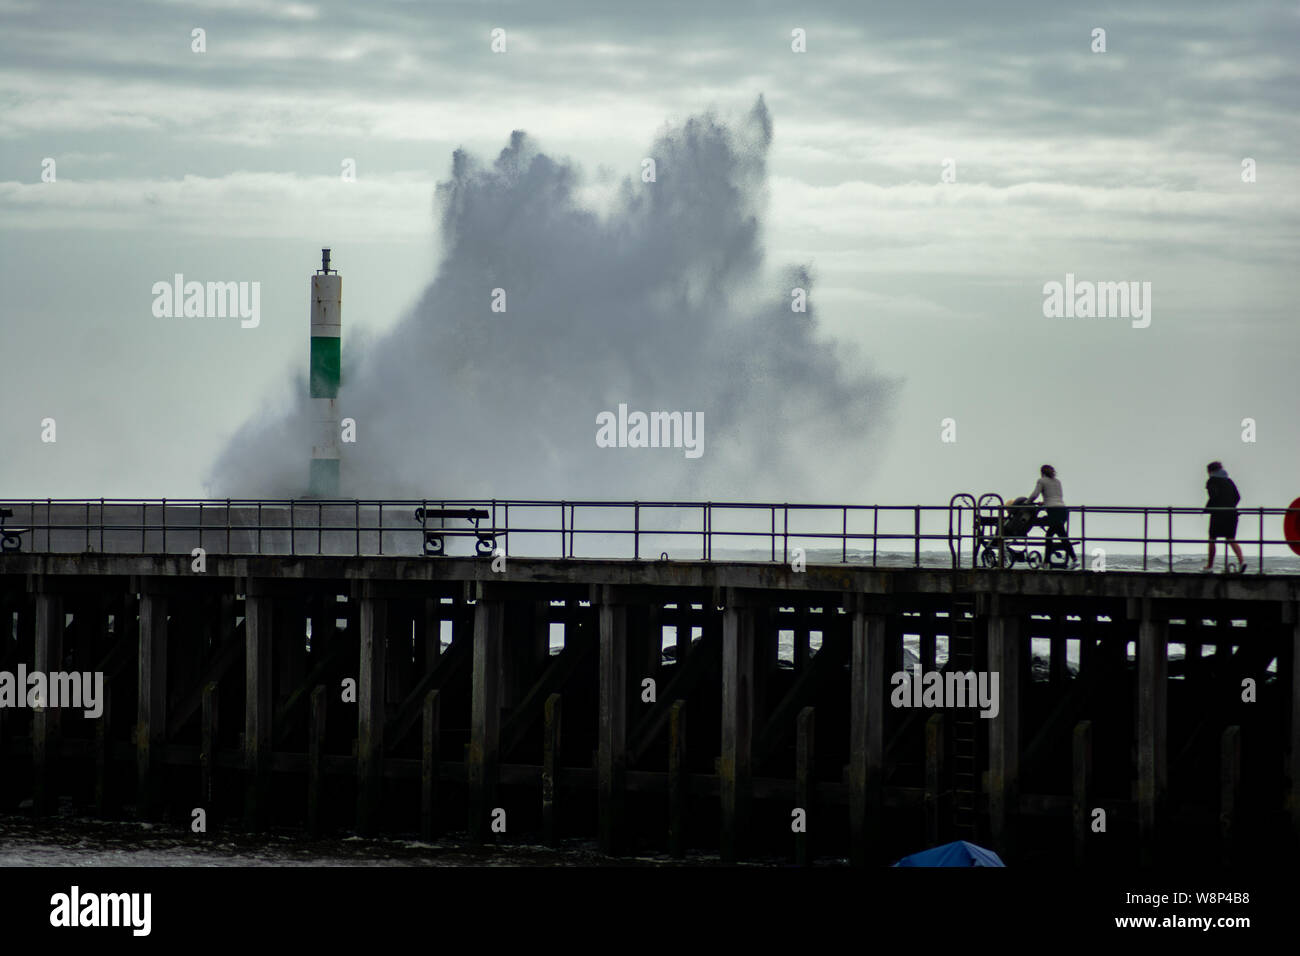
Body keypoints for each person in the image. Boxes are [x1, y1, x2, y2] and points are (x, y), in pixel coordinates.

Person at [1026, 464, 1077, 566]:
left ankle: (1047, 562)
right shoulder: (1057, 482)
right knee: (1059, 536)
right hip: (1062, 511)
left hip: (1053, 512)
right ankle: (1072, 559)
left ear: (1042, 472)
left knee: (1053, 537)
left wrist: (1027, 502)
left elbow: (1035, 495)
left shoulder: (1041, 480)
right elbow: (1055, 497)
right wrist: (1044, 503)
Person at [1203, 461, 1245, 572]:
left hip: (1218, 514)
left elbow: (1214, 496)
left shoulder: (1212, 481)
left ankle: (1209, 566)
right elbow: (1238, 497)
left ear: (1210, 471)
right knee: (1231, 538)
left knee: (1212, 539)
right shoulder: (1229, 481)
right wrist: (1230, 506)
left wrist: (1208, 508)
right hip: (1232, 513)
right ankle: (1242, 562)